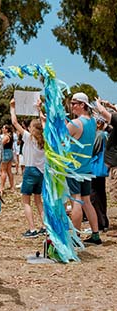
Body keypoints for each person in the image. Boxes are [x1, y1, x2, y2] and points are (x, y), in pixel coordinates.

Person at [66, 92, 101, 245]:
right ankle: (95, 235)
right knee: (86, 201)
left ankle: (75, 237)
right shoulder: (92, 122)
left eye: (74, 103)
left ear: (82, 105)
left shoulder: (75, 124)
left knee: (76, 201)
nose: (71, 106)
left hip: (74, 168)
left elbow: (58, 139)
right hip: (86, 168)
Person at [10, 99, 46, 238]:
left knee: (26, 201)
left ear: (32, 129)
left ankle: (32, 229)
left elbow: (14, 122)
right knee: (38, 200)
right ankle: (44, 226)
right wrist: (39, 109)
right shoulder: (45, 139)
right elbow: (43, 123)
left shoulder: (29, 138)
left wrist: (12, 107)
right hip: (41, 172)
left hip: (30, 170)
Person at [95, 98, 117, 204]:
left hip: (115, 165)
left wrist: (98, 103)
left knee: (115, 193)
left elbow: (103, 112)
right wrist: (112, 106)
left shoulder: (100, 135)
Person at [90, 115, 109, 232]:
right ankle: (103, 221)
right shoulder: (105, 135)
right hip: (101, 169)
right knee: (101, 195)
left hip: (95, 169)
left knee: (94, 195)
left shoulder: (99, 135)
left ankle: (99, 223)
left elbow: (92, 150)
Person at [0, 124, 15, 192]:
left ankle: (2, 187)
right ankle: (12, 187)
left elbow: (1, 145)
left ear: (6, 129)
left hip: (5, 153)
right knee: (9, 171)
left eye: (3, 128)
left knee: (3, 171)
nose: (2, 129)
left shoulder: (6, 137)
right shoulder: (11, 136)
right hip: (10, 152)